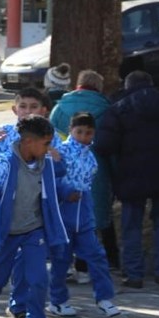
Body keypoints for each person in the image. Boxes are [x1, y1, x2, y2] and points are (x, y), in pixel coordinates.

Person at [0, 115, 68, 318]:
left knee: (38, 279)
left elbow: (61, 171)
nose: (49, 149)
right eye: (46, 144)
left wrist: (59, 160)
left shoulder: (45, 162)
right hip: (6, 233)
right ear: (27, 142)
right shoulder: (6, 164)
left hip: (33, 231)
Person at [94, 70, 159, 288]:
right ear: (152, 84)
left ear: (127, 86)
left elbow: (103, 145)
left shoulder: (119, 108)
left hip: (131, 175)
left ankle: (133, 275)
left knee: (131, 225)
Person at [48, 112, 121, 318]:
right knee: (61, 260)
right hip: (65, 212)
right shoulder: (59, 152)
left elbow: (88, 183)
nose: (83, 136)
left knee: (96, 256)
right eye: (79, 131)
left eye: (88, 132)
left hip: (84, 212)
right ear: (71, 130)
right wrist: (65, 192)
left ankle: (105, 299)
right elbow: (53, 180)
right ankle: (57, 300)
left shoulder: (91, 156)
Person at [50, 69, 119, 270]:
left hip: (65, 172)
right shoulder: (107, 109)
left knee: (67, 218)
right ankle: (109, 259)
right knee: (99, 214)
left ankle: (67, 263)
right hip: (97, 168)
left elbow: (52, 139)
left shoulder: (60, 108)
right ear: (99, 87)